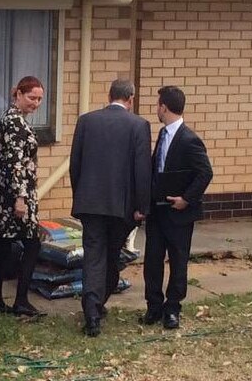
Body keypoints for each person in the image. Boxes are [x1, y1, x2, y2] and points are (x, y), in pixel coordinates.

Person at [70, 78, 151, 337]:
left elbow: (75, 164)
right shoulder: (139, 125)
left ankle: (92, 312)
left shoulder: (86, 121)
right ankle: (98, 303)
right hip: (121, 206)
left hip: (90, 202)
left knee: (94, 255)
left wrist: (81, 195)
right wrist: (141, 206)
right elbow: (142, 169)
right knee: (112, 254)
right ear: (131, 99)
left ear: (109, 95)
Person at [142, 86, 212, 329]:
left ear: (164, 107)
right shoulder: (162, 135)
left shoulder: (189, 139)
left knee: (178, 260)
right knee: (152, 259)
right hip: (158, 209)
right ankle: (153, 306)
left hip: (179, 212)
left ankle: (173, 308)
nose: (156, 109)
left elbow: (205, 173)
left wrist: (187, 198)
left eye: (157, 105)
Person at [0, 76, 45, 317]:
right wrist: (20, 199)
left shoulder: (11, 119)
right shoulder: (15, 123)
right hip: (14, 195)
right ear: (18, 94)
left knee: (2, 245)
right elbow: (16, 163)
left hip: (2, 194)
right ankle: (20, 300)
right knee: (31, 242)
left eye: (39, 99)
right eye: (31, 98)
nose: (36, 103)